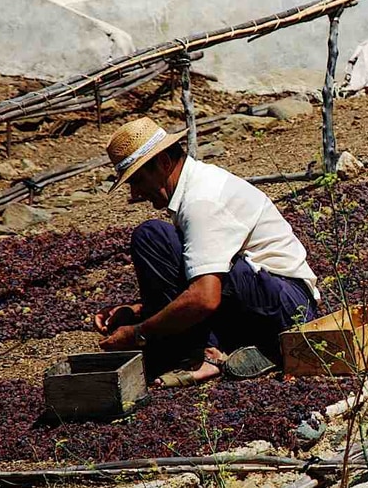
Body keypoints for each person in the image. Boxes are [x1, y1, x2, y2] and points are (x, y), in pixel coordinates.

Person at [93, 117, 319, 387]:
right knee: (159, 240)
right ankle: (234, 346)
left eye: (139, 180)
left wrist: (140, 333)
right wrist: (141, 310)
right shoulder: (193, 187)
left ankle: (206, 356)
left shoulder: (201, 200)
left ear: (164, 163)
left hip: (289, 308)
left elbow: (205, 298)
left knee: (152, 236)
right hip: (271, 299)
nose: (136, 192)